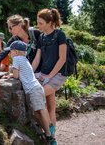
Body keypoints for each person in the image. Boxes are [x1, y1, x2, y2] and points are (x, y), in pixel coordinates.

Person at [5, 40, 54, 142]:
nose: (9, 54)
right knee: (37, 112)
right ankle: (47, 130)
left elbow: (15, 75)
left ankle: (49, 134)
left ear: (16, 52)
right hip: (36, 87)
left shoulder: (17, 59)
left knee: (40, 110)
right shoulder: (24, 59)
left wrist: (9, 75)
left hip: (33, 89)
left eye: (11, 51)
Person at [32, 8, 68, 140]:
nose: (38, 26)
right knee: (50, 107)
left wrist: (50, 76)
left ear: (49, 22)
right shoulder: (41, 37)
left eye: (40, 23)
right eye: (38, 22)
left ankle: (50, 134)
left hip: (57, 75)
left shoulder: (60, 35)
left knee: (36, 95)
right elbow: (37, 58)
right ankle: (52, 135)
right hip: (44, 73)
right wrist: (30, 73)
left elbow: (62, 59)